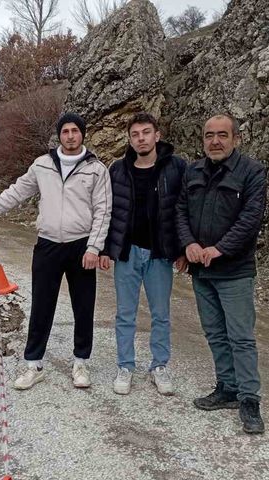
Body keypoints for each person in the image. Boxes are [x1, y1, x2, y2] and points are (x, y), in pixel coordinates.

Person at [0, 113, 112, 390]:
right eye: (65, 131)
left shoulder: (97, 169)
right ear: (59, 135)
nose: (70, 136)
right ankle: (34, 364)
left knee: (84, 307)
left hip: (82, 247)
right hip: (47, 245)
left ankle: (81, 361)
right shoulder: (42, 165)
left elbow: (104, 211)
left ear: (82, 134)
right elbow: (17, 192)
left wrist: (94, 247)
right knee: (42, 305)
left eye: (75, 131)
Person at [176, 113, 267, 434]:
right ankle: (227, 388)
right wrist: (187, 244)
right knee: (215, 333)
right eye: (209, 136)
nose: (215, 141)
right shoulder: (193, 171)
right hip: (202, 271)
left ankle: (249, 399)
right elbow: (181, 211)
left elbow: (250, 219)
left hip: (235, 271)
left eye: (222, 135)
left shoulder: (252, 172)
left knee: (241, 337)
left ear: (236, 139)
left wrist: (219, 249)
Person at [98, 112, 187, 396]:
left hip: (160, 254)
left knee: (161, 314)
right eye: (135, 134)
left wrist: (183, 249)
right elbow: (107, 212)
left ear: (157, 135)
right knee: (125, 313)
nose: (141, 138)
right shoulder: (118, 170)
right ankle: (125, 366)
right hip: (127, 253)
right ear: (130, 138)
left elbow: (184, 211)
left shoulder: (176, 167)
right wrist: (104, 249)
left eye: (146, 132)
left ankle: (159, 366)